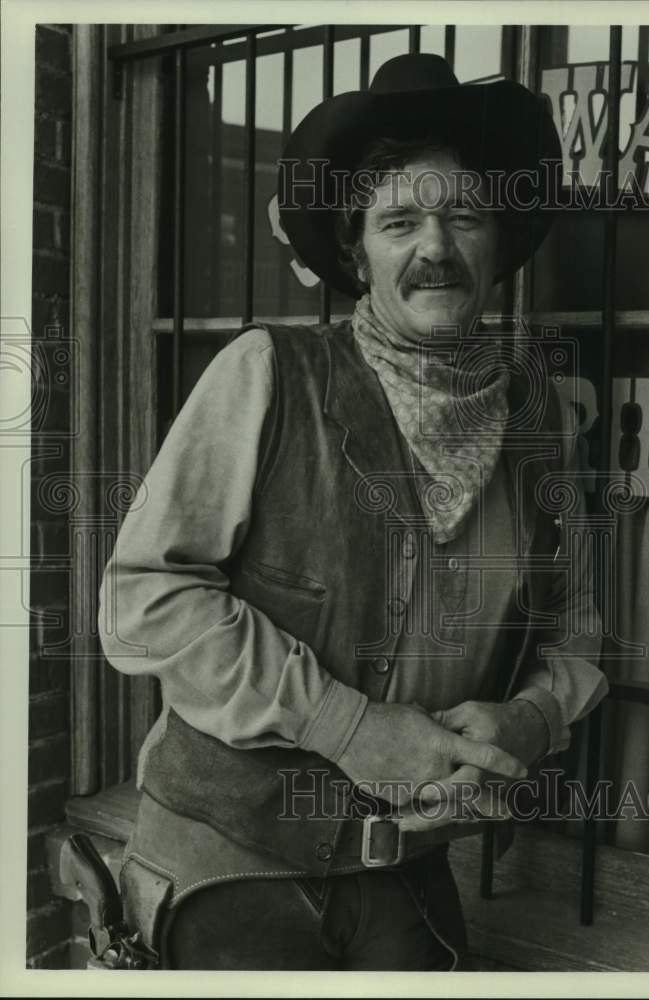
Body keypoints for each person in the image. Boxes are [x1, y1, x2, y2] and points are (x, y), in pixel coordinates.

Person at [98, 52, 607, 971]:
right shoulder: (267, 374)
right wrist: (350, 727)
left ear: (497, 242)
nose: (436, 249)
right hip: (229, 864)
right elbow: (146, 598)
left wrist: (527, 723)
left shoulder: (539, 422)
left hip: (409, 873)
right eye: (399, 221)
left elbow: (572, 631)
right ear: (358, 254)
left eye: (463, 216)